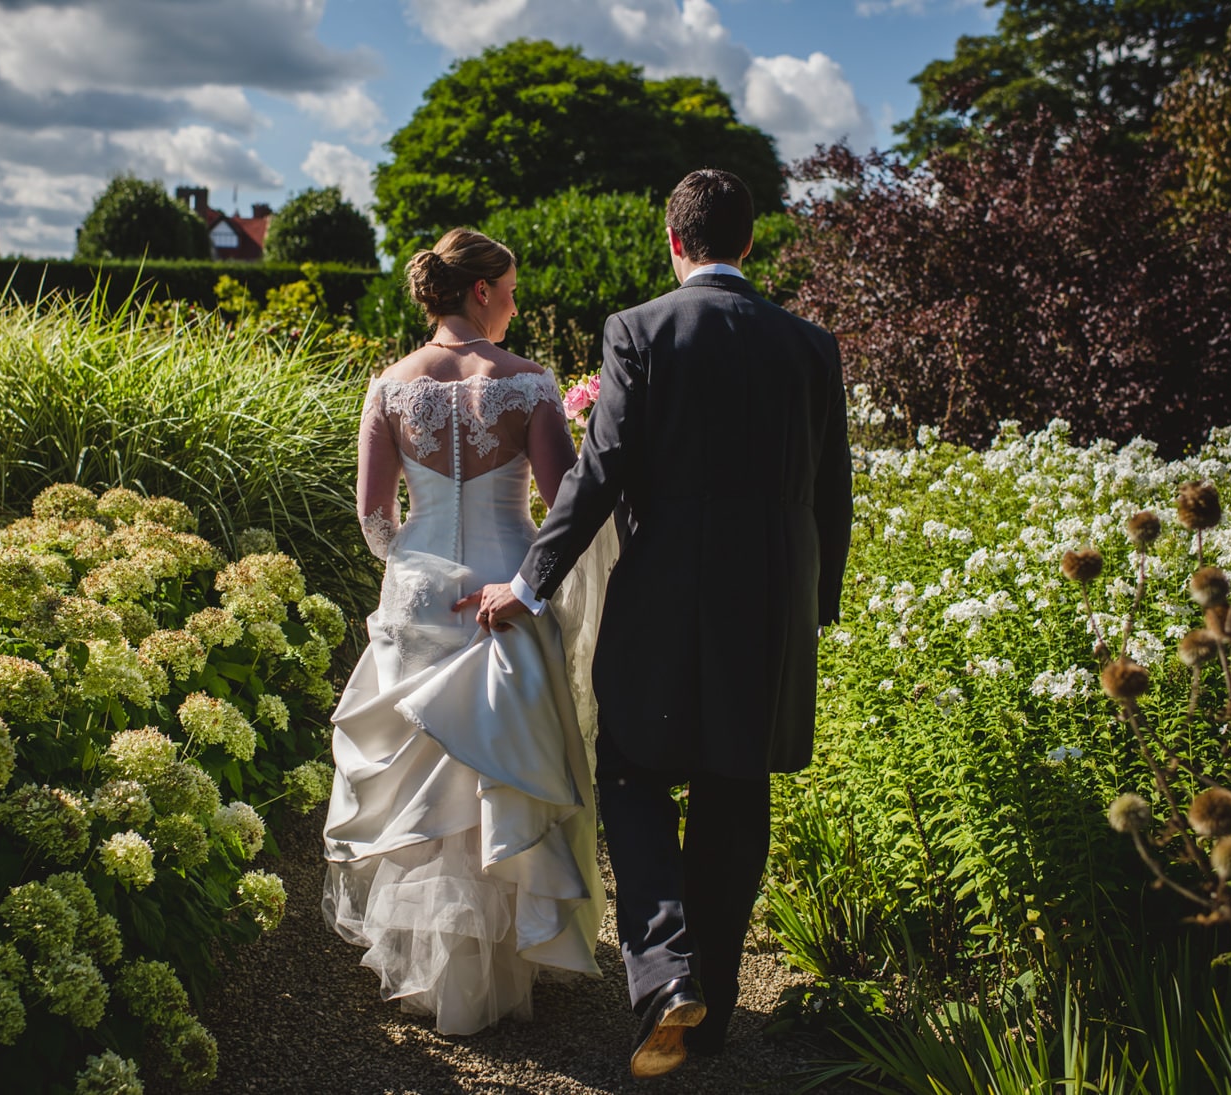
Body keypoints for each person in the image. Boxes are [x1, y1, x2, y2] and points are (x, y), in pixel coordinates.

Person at [467, 169, 854, 1078]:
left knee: (635, 779)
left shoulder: (639, 331)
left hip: (663, 610)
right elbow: (832, 495)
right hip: (768, 616)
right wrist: (816, 606)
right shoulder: (811, 346)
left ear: (673, 243)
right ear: (749, 244)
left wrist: (528, 584)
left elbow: (600, 476)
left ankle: (666, 972)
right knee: (735, 790)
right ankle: (709, 1017)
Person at [320, 228, 606, 1036]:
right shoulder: (526, 385)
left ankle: (433, 962)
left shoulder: (388, 386)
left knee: (428, 786)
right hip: (505, 590)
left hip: (417, 597)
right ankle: (505, 959)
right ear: (479, 290)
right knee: (498, 776)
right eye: (510, 287)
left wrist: (412, 565)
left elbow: (374, 515)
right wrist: (521, 581)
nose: (515, 302)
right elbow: (564, 504)